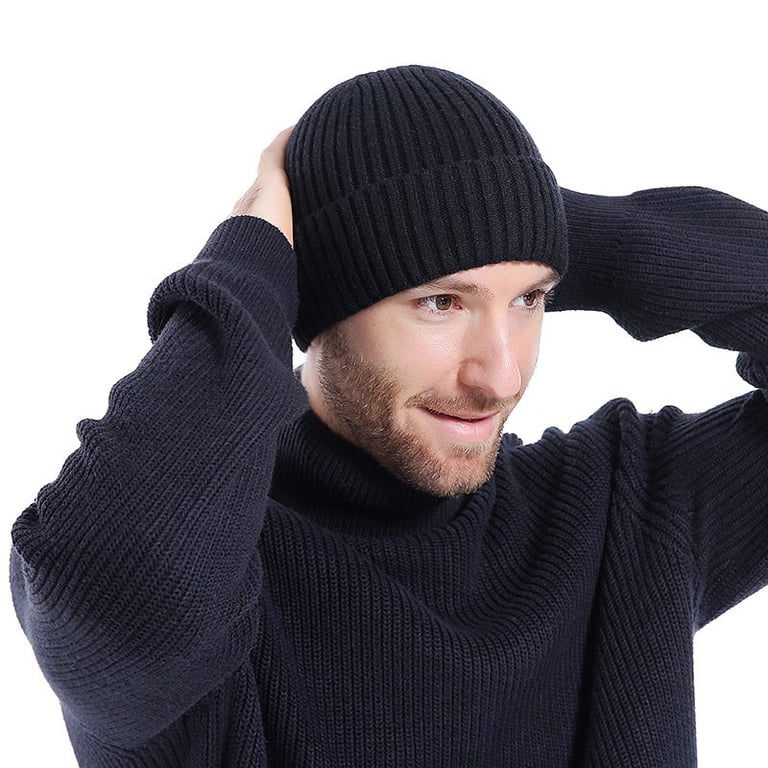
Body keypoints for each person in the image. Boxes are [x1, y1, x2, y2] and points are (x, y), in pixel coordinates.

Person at [9, 65, 768, 767]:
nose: (501, 374)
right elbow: (105, 605)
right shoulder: (217, 580)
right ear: (314, 300)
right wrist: (254, 259)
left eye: (530, 299)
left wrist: (527, 223)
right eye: (440, 301)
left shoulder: (623, 512)